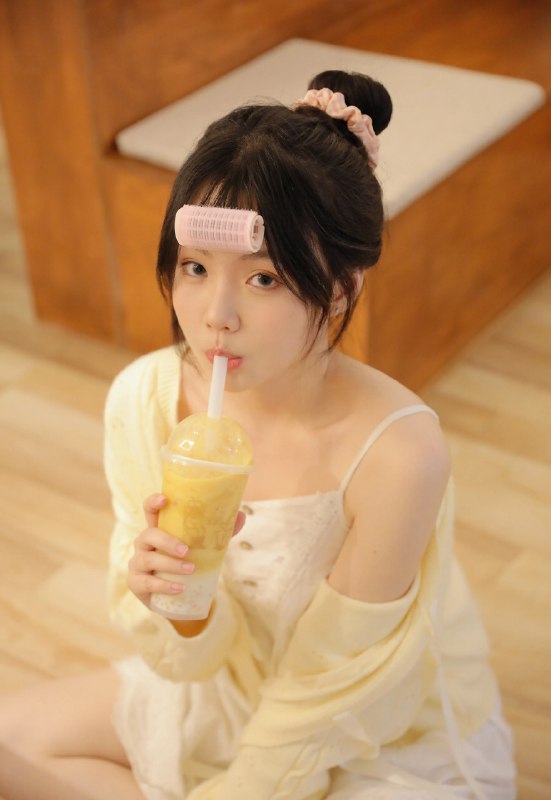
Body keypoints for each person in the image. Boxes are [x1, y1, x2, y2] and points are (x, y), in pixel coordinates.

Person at [0, 70, 516, 800]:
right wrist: (180, 605)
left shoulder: (400, 453)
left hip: (373, 726)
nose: (216, 315)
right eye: (195, 267)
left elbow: (332, 689)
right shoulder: (145, 401)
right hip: (233, 682)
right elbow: (193, 662)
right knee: (10, 748)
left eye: (264, 278)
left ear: (341, 286)